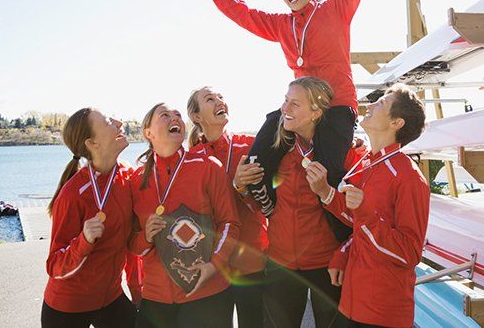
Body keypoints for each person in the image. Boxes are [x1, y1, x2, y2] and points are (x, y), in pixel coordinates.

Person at [188, 0, 392, 228]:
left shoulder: (335, 9)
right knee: (263, 145)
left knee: (327, 174)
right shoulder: (282, 25)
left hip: (336, 107)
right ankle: (265, 198)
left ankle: (343, 243)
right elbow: (242, 13)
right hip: (297, 110)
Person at [305, 85, 429, 328]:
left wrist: (363, 212)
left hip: (382, 312)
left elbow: (409, 253)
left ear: (396, 123)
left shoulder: (409, 177)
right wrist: (324, 192)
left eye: (381, 103)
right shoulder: (369, 163)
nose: (370, 106)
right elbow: (357, 221)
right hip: (353, 302)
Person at [129, 103, 241, 328]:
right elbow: (133, 245)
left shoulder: (208, 166)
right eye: (165, 115)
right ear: (148, 133)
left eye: (178, 115)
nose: (175, 118)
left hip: (208, 293)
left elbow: (230, 224)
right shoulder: (136, 180)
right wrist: (146, 237)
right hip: (156, 297)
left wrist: (213, 266)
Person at [261, 77, 350, 327]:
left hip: (326, 265)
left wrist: (343, 256)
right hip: (280, 264)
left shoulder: (344, 154)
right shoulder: (275, 149)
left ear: (315, 113)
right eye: (285, 101)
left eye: (295, 104)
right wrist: (240, 182)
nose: (284, 109)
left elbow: (358, 215)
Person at [42, 108, 138, 328]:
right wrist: (84, 241)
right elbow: (54, 265)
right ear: (92, 143)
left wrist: (136, 287)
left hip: (111, 297)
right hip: (68, 306)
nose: (118, 122)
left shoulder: (128, 176)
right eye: (107, 122)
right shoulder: (73, 194)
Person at [186, 86, 268, 328]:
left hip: (251, 258)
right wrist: (235, 186)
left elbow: (269, 198)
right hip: (213, 264)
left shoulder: (251, 147)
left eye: (220, 97)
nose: (220, 101)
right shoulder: (191, 158)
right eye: (210, 99)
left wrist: (353, 144)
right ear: (197, 117)